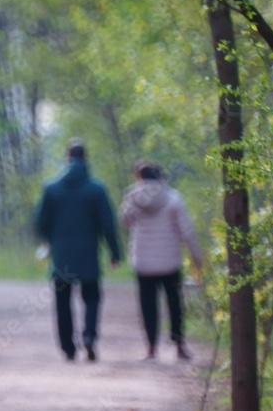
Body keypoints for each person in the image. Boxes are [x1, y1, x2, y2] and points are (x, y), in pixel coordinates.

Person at [35, 138, 122, 362]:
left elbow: (40, 222)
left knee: (62, 301)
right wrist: (114, 251)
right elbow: (107, 223)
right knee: (91, 297)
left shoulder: (51, 188)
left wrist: (49, 240)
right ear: (85, 159)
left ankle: (68, 347)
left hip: (61, 254)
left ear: (68, 158)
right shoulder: (96, 189)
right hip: (88, 253)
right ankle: (89, 336)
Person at [120, 160, 203, 361]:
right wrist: (197, 257)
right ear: (161, 176)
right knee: (175, 303)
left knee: (148, 304)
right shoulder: (173, 198)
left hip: (143, 262)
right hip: (170, 261)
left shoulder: (132, 196)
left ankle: (151, 348)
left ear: (140, 177)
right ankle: (179, 346)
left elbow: (124, 220)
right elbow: (187, 231)